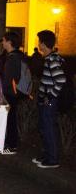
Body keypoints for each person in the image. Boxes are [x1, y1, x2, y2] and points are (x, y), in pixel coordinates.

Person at [32, 30, 66, 169]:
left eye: (39, 41)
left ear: (43, 44)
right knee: (44, 128)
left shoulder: (52, 60)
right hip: (45, 100)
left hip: (49, 102)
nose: (38, 44)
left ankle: (52, 159)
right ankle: (47, 155)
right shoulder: (50, 58)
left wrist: (50, 96)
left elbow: (60, 80)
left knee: (48, 129)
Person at [1, 32, 23, 155]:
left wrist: (2, 93)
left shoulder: (12, 58)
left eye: (4, 40)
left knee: (10, 120)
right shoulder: (19, 56)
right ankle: (11, 144)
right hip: (15, 93)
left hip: (10, 94)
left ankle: (11, 146)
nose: (2, 43)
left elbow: (8, 79)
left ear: (9, 42)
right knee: (11, 119)